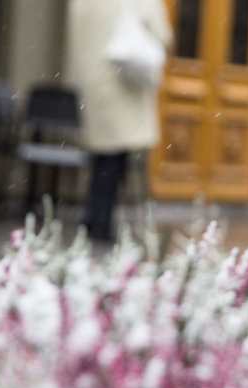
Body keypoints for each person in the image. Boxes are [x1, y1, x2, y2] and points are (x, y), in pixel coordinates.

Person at [67, 0, 172, 242]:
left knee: (101, 156)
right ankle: (101, 224)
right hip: (120, 83)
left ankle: (93, 217)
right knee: (114, 159)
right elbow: (162, 33)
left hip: (91, 83)